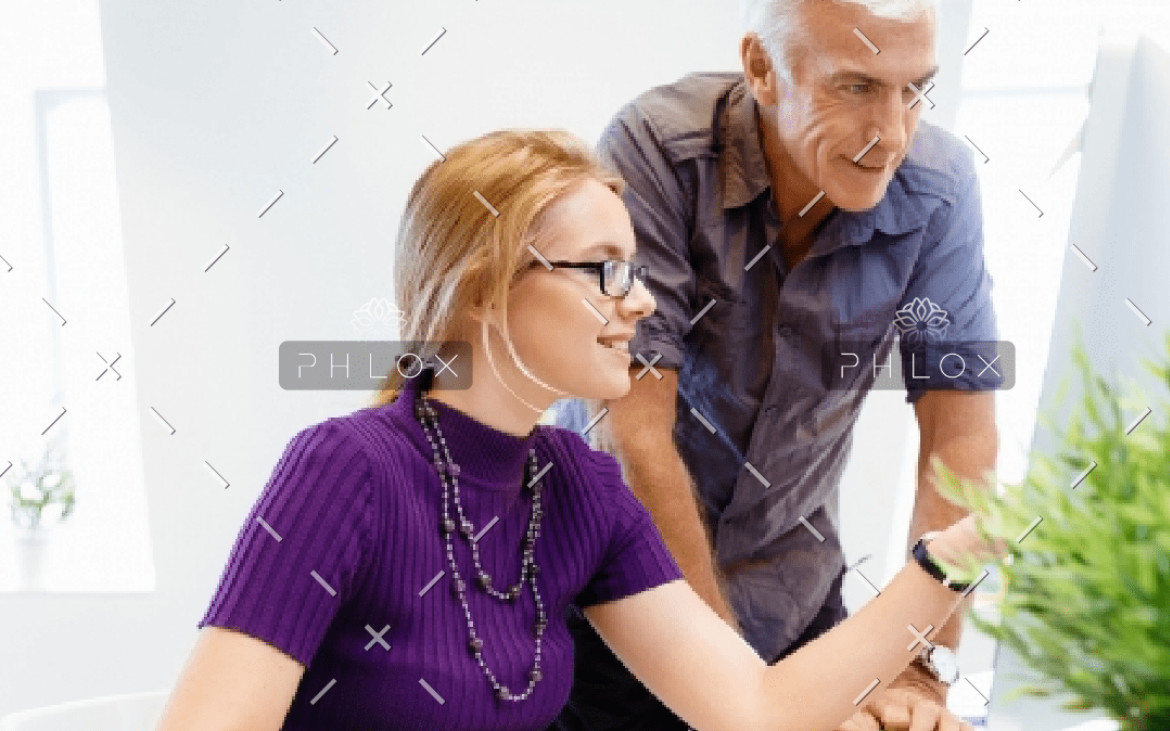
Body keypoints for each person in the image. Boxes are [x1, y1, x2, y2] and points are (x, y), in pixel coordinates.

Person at [151, 129, 1002, 731]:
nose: (640, 301)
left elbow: (753, 710)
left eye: (634, 268)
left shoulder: (580, 489)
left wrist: (944, 565)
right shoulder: (344, 468)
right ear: (483, 290)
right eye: (604, 270)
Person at [547, 1, 1006, 731]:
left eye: (915, 88)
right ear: (762, 67)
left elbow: (960, 441)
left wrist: (920, 668)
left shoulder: (940, 188)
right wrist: (735, 696)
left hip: (794, 603)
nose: (891, 134)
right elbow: (631, 434)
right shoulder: (659, 148)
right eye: (855, 86)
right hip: (610, 609)